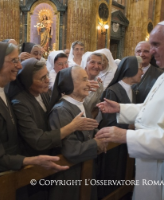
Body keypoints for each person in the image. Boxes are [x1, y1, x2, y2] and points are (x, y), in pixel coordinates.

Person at [96, 18, 164, 200]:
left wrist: (126, 136)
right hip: (154, 167)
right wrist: (121, 108)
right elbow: (159, 110)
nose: (150, 52)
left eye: (156, 45)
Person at [0, 43, 68, 187]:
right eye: (14, 60)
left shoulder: (0, 91)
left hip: (10, 174)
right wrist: (31, 160)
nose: (20, 66)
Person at [8, 58, 98, 156]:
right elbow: (37, 139)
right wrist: (72, 126)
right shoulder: (19, 104)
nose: (47, 80)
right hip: (35, 157)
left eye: (47, 75)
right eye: (42, 78)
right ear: (27, 81)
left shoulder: (43, 93)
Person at [48, 66, 106, 200]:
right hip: (70, 174)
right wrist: (95, 143)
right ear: (70, 84)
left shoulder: (82, 104)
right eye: (84, 80)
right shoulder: (61, 110)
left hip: (85, 167)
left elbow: (88, 130)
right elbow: (70, 149)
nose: (88, 84)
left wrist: (100, 135)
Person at [97, 56, 143, 198]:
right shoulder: (113, 91)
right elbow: (109, 120)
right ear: (132, 70)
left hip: (125, 143)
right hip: (113, 145)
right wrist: (131, 125)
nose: (142, 72)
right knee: (112, 176)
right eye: (140, 68)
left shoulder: (132, 89)